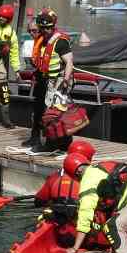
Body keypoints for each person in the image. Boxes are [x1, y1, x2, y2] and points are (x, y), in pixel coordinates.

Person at [23, 8, 75, 150]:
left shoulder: (60, 42)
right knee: (39, 110)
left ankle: (54, 144)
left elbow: (69, 62)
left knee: (54, 114)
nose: (46, 31)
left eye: (48, 28)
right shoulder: (41, 41)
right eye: (43, 28)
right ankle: (37, 139)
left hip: (57, 81)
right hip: (43, 80)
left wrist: (66, 79)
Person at [33, 139, 96, 247]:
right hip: (83, 236)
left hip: (61, 233)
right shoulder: (92, 179)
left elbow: (38, 201)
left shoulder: (55, 178)